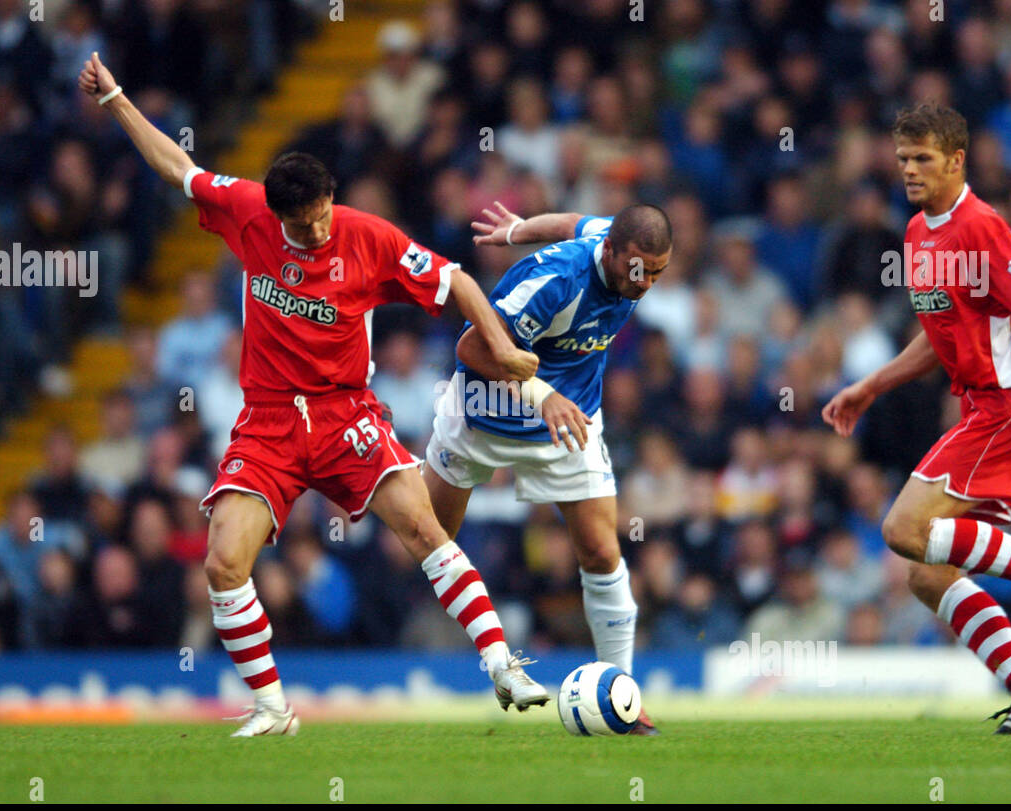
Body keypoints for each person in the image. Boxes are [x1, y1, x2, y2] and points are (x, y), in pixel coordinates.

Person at [78, 52, 548, 737]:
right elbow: (176, 168)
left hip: (345, 413)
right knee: (222, 561)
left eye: (324, 215)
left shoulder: (368, 238)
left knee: (426, 531)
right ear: (277, 217)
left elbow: (458, 283)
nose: (319, 231)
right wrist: (116, 98)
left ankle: (504, 665)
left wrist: (502, 349)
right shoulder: (247, 213)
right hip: (268, 422)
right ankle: (273, 708)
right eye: (304, 226)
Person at [822, 104, 1011, 734]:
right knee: (928, 574)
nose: (910, 170)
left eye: (923, 158)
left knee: (901, 529)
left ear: (957, 160)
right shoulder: (918, 234)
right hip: (985, 409)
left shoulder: (982, 226)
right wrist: (869, 385)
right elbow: (936, 338)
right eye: (902, 159)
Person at [422, 200, 672, 734]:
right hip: (486, 416)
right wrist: (543, 394)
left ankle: (622, 695)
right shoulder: (554, 282)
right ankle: (486, 659)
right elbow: (471, 347)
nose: (645, 282)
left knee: (603, 550)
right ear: (610, 253)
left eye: (657, 272)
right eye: (637, 269)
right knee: (429, 539)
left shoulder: (614, 237)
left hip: (569, 423)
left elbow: (569, 222)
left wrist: (517, 229)